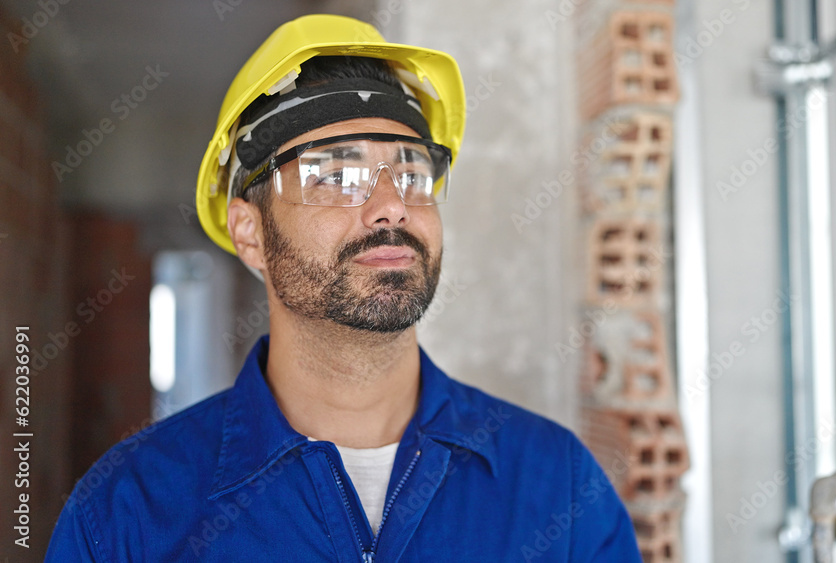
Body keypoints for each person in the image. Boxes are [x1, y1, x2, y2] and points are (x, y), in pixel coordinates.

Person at [46, 14, 642, 562]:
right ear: (250, 233)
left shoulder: (559, 486)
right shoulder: (127, 513)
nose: (391, 206)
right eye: (336, 174)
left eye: (411, 172)